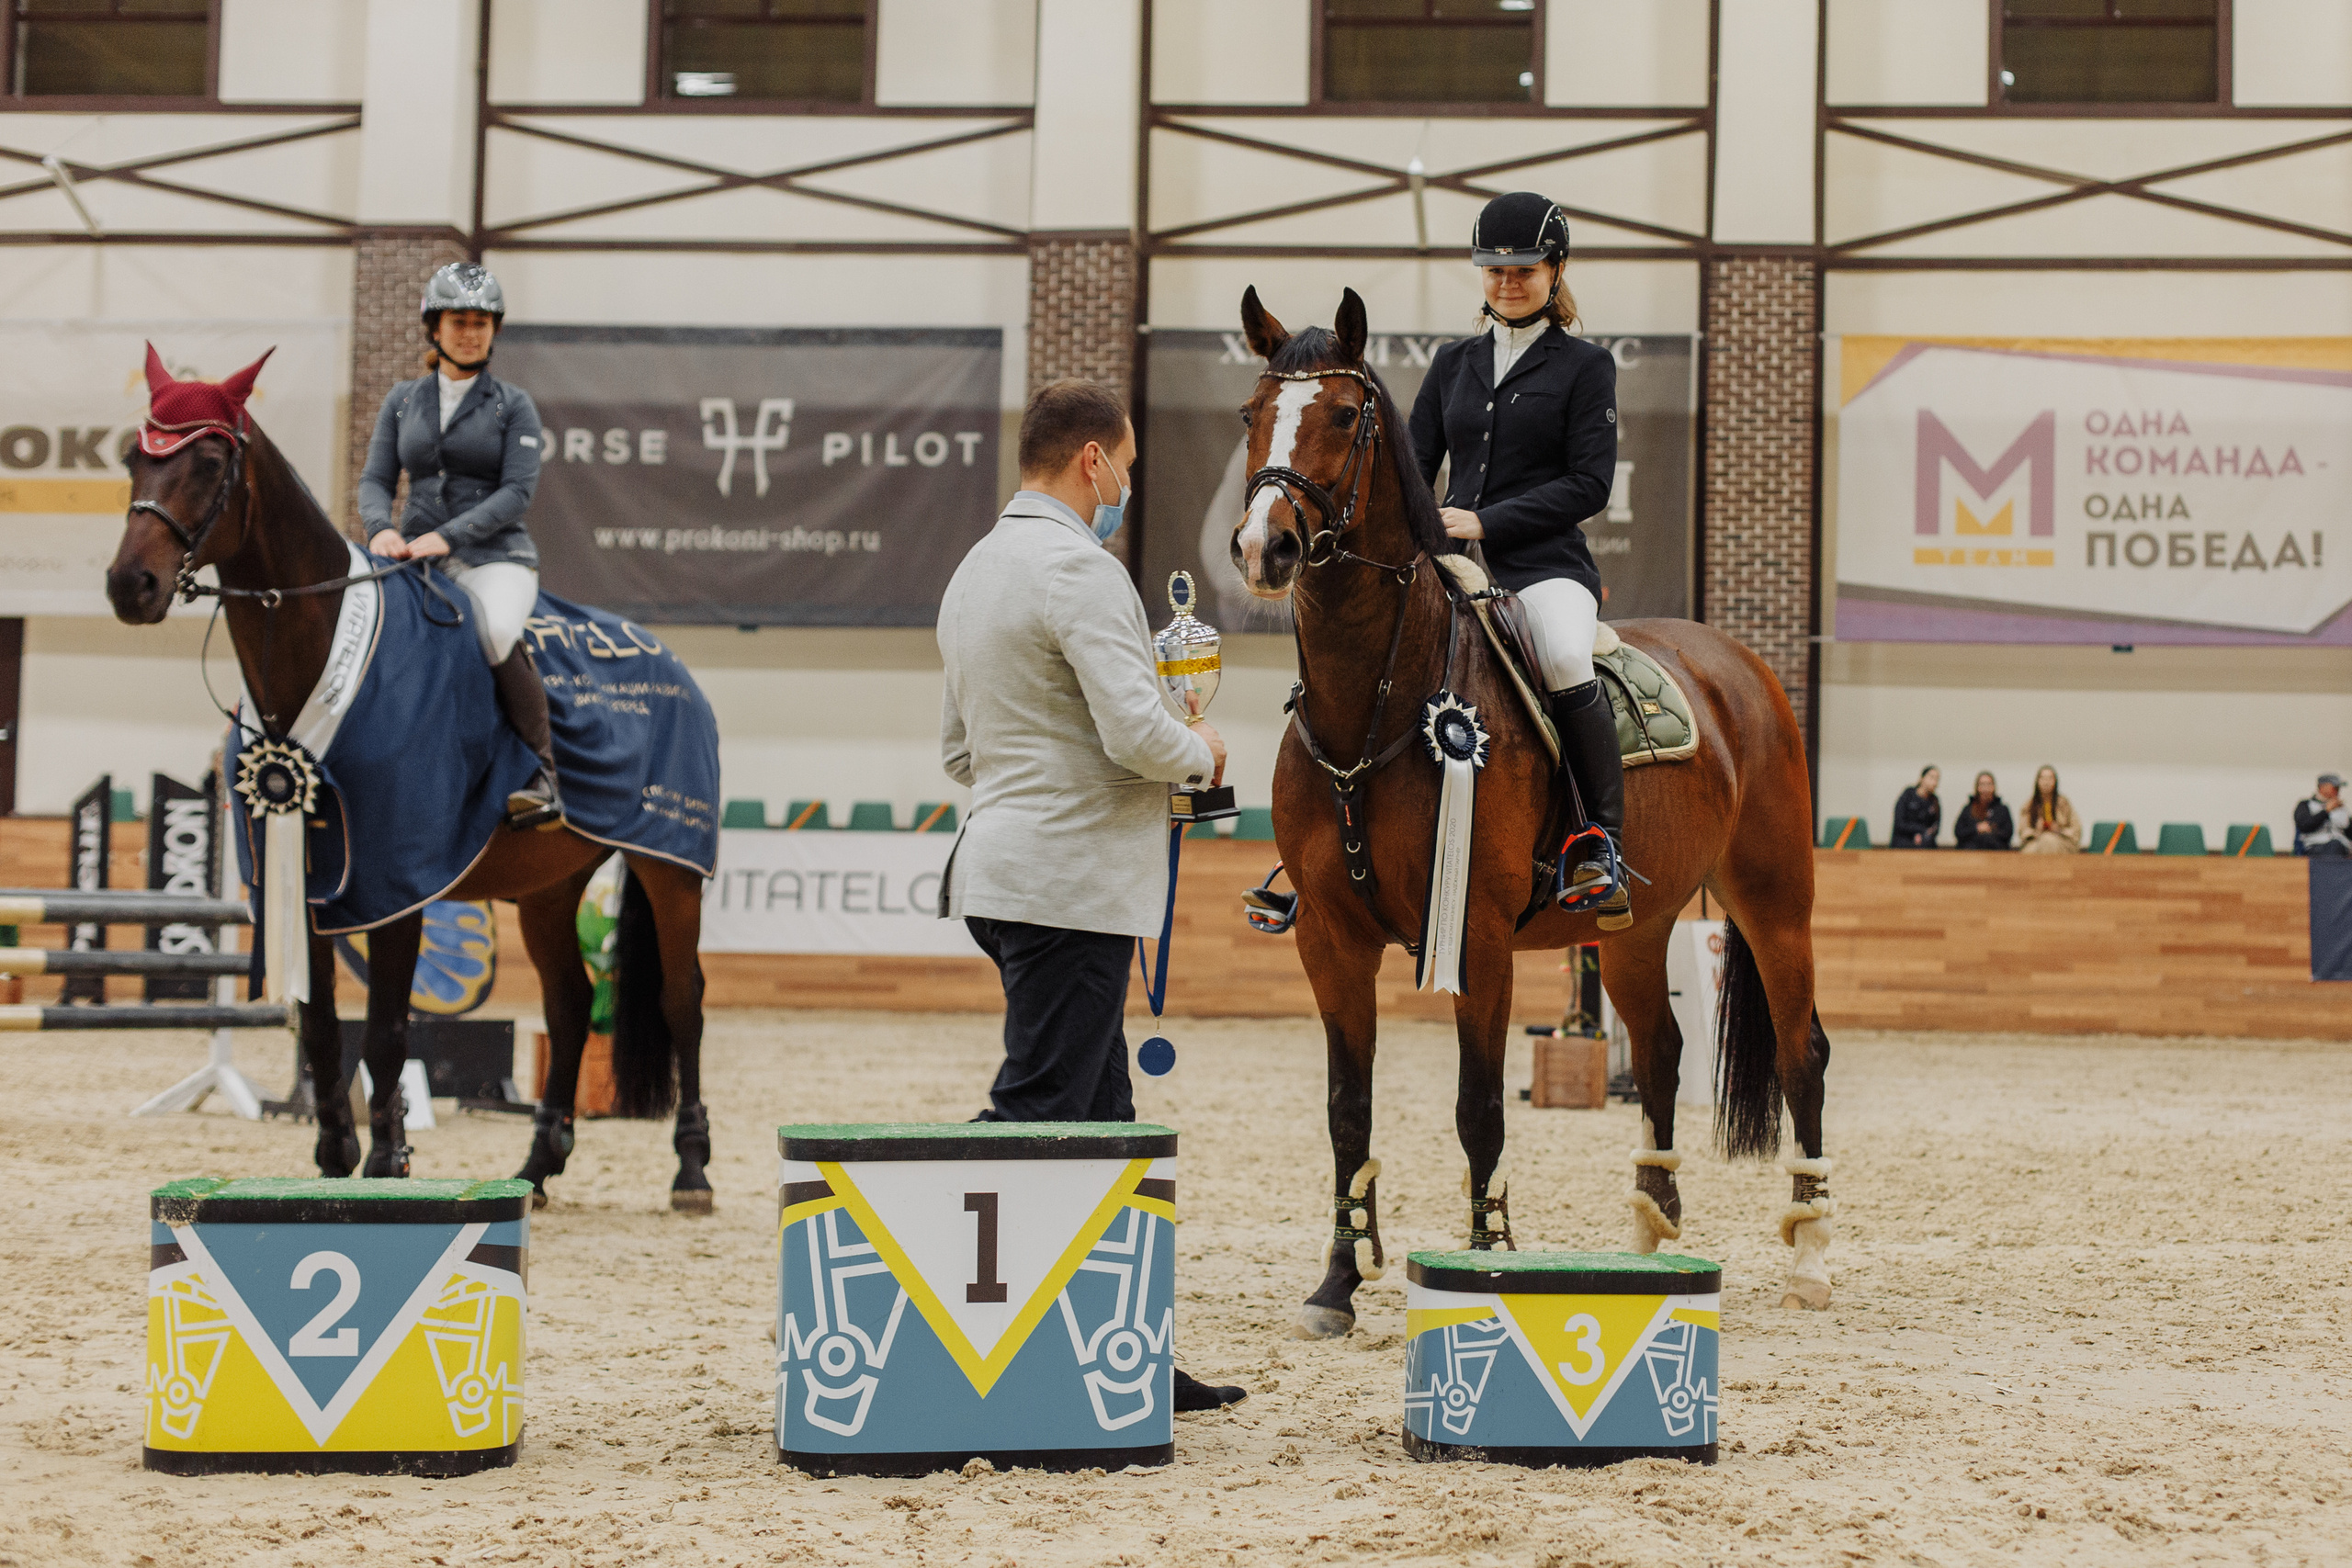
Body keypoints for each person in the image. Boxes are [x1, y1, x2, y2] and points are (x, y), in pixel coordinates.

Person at [935, 377, 1245, 1414]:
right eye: (1125, 469)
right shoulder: (1080, 568)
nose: (1123, 488)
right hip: (1068, 886)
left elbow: (955, 750)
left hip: (1002, 867)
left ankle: (1131, 1351)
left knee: (1107, 1123)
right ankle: (933, 1303)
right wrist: (1199, 748)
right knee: (1041, 1111)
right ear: (1093, 462)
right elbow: (1136, 734)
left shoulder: (974, 570)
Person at [1408, 191, 1626, 924]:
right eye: (1492, 270)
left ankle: (1601, 839)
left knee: (1565, 656)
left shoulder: (1586, 367)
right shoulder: (1451, 364)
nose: (1507, 282)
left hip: (1546, 567)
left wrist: (1485, 518)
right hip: (1451, 567)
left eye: (1524, 269)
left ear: (1556, 270)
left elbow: (1589, 484)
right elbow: (1415, 468)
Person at [356, 261, 560, 829]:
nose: (470, 332)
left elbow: (517, 492)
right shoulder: (402, 400)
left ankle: (544, 775)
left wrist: (444, 537)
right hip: (410, 555)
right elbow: (375, 479)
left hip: (495, 558)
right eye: (458, 321)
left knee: (495, 631)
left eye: (480, 322)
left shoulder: (512, 405)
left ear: (494, 331)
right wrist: (381, 529)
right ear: (434, 328)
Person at [2018, 764, 2080, 853]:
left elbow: (2076, 829)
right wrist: (2036, 832)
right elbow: (2022, 831)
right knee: (2043, 841)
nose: (2046, 782)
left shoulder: (2064, 803)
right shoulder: (2029, 805)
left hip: (2060, 842)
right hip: (2036, 842)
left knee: (2048, 840)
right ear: (2037, 782)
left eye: (2050, 779)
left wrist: (2059, 830)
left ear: (2055, 781)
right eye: (2043, 778)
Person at [1953, 771, 2013, 851]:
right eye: (1982, 784)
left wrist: (1990, 829)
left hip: (1996, 852)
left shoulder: (2002, 809)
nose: (1986, 788)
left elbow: (2008, 833)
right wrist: (1976, 828)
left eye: (1989, 784)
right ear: (1977, 787)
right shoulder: (1969, 808)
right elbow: (1958, 832)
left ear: (1994, 787)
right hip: (1971, 852)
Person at [2295, 772, 2350, 857]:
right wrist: (2326, 811)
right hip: (2315, 847)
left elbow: (2348, 831)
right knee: (2334, 847)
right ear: (2322, 787)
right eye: (2334, 788)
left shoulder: (2341, 808)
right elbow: (2305, 825)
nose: (2337, 791)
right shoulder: (2305, 805)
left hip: (2340, 846)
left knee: (2336, 845)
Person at [1890, 765, 1941, 849]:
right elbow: (1899, 823)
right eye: (1932, 777)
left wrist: (1923, 834)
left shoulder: (1934, 801)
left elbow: (1935, 827)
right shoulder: (1908, 795)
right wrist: (1918, 831)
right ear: (1922, 778)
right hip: (1903, 842)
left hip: (1924, 844)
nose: (1934, 782)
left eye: (1937, 779)